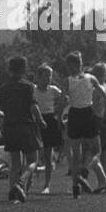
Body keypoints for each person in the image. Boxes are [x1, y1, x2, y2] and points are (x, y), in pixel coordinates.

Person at [0, 56, 43, 203]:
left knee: (15, 163)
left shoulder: (3, 88)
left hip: (10, 127)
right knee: (33, 160)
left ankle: (13, 193)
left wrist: (6, 115)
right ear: (24, 69)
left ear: (10, 70)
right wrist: (41, 121)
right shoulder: (28, 86)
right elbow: (33, 107)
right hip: (26, 126)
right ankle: (20, 183)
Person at [61, 51, 106, 198]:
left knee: (76, 153)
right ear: (79, 64)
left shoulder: (67, 80)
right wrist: (105, 116)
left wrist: (59, 118)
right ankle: (84, 170)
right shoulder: (91, 78)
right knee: (96, 150)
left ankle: (76, 187)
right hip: (88, 113)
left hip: (74, 114)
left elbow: (63, 101)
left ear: (70, 65)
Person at [29, 64, 63, 194]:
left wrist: (59, 110)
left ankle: (47, 185)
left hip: (49, 120)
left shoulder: (54, 90)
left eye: (50, 76)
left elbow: (65, 98)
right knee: (33, 153)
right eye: (45, 76)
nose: (48, 79)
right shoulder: (33, 90)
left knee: (48, 155)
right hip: (36, 120)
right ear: (38, 77)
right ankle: (30, 179)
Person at [90, 61, 106, 192]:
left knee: (92, 155)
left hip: (99, 121)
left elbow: (93, 107)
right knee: (105, 156)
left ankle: (103, 182)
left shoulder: (95, 89)